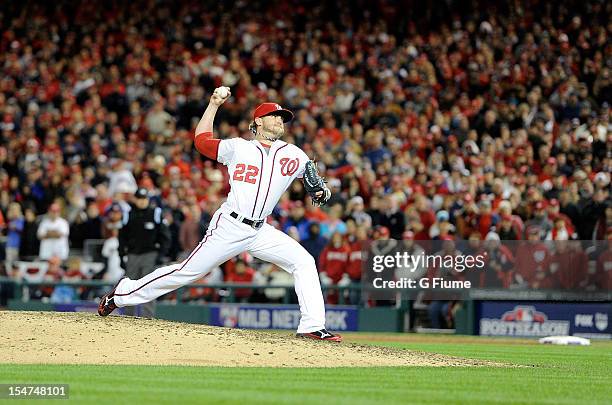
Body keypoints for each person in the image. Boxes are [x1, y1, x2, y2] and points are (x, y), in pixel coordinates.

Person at [99, 87, 341, 342]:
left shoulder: (293, 153)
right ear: (258, 121)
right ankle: (122, 294)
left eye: (283, 117)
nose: (280, 119)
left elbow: (312, 176)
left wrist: (321, 189)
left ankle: (312, 326)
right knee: (186, 272)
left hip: (260, 231)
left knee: (303, 261)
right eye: (275, 115)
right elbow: (201, 142)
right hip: (231, 225)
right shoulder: (238, 148)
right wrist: (213, 104)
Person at [117, 187, 171, 317]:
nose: (142, 201)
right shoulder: (128, 214)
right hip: (133, 254)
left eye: (144, 199)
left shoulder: (155, 213)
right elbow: (122, 237)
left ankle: (148, 317)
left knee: (149, 286)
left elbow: (165, 236)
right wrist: (121, 255)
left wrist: (160, 255)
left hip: (150, 255)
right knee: (130, 285)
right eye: (139, 198)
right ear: (135, 199)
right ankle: (128, 316)